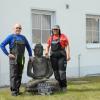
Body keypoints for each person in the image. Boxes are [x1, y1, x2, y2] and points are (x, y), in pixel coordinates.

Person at [0, 23, 33, 96]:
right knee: (13, 75)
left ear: (21, 29)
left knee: (19, 74)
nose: (18, 29)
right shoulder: (10, 37)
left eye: (19, 28)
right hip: (13, 59)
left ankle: (17, 90)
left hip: (21, 59)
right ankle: (14, 91)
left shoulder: (23, 37)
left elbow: (28, 47)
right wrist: (8, 54)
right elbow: (2, 45)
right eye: (16, 28)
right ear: (13, 29)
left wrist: (30, 55)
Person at [45, 25, 70, 92]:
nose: (55, 30)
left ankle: (64, 87)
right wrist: (46, 52)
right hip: (53, 57)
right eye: (54, 29)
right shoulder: (51, 37)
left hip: (62, 57)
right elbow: (47, 46)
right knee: (56, 73)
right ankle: (59, 86)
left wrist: (68, 55)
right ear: (52, 30)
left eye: (56, 29)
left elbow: (67, 46)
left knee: (62, 73)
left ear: (59, 30)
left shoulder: (63, 36)